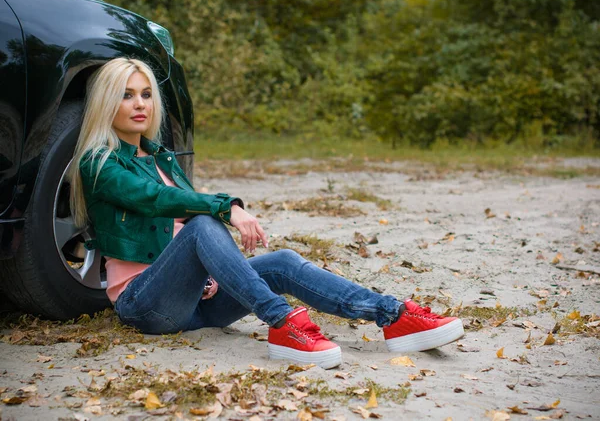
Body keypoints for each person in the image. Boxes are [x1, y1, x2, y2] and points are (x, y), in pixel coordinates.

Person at [68, 58, 464, 369]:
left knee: (283, 263)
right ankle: (283, 323)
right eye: (126, 95)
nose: (139, 104)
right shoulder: (100, 164)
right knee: (206, 221)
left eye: (146, 94)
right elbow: (154, 200)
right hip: (145, 305)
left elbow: (180, 234)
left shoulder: (161, 157)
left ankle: (392, 315)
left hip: (198, 305)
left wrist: (209, 275)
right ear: (106, 102)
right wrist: (229, 207)